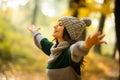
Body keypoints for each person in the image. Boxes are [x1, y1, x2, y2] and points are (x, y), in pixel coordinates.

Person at [27, 16, 107, 80]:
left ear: (68, 31)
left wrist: (86, 45)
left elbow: (76, 48)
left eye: (60, 25)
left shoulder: (68, 53)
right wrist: (35, 31)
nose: (55, 26)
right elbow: (42, 41)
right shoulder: (54, 50)